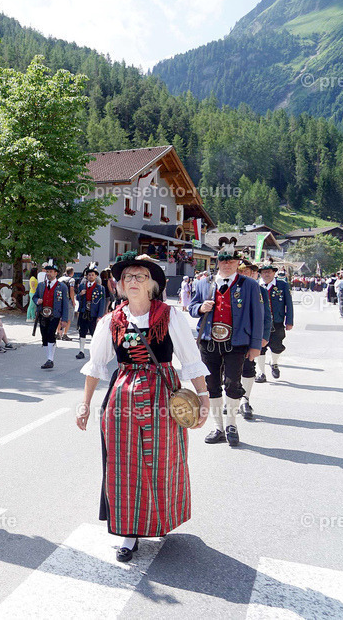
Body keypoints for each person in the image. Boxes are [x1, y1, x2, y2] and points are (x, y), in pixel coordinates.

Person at [77, 251, 209, 562]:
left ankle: (160, 519)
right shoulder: (111, 321)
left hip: (162, 394)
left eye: (140, 276)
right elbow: (96, 365)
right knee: (124, 465)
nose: (133, 281)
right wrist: (85, 404)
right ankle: (129, 532)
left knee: (163, 460)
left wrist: (203, 398)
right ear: (119, 285)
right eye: (127, 277)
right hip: (122, 397)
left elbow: (191, 360)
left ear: (152, 285)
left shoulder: (171, 316)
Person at [188, 238, 264, 447]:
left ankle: (232, 425)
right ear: (218, 262)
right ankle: (218, 427)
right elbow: (192, 307)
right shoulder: (204, 283)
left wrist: (256, 345)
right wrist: (201, 308)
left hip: (237, 342)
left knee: (232, 384)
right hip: (209, 341)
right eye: (223, 261)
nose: (227, 264)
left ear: (237, 263)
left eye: (231, 261)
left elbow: (257, 316)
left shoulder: (249, 284)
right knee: (211, 384)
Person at [238, 260, 271, 420]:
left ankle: (245, 400)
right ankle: (231, 400)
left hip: (249, 337)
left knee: (248, 368)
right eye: (243, 271)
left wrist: (264, 337)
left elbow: (266, 316)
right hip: (230, 338)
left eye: (250, 272)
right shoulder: (229, 288)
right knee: (229, 371)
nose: (247, 274)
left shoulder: (259, 290)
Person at [256, 261, 294, 380]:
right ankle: (261, 373)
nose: (266, 274)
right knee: (260, 347)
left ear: (274, 273)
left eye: (269, 272)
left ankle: (274, 362)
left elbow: (289, 303)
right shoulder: (256, 285)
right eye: (264, 272)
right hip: (259, 323)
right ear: (260, 274)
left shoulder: (282, 285)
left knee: (277, 345)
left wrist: (289, 321)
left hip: (277, 321)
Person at [33, 261, 71, 370]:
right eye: (47, 271)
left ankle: (51, 359)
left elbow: (65, 304)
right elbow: (34, 297)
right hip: (42, 314)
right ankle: (48, 358)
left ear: (56, 273)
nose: (48, 273)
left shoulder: (62, 286)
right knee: (44, 336)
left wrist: (64, 319)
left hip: (55, 315)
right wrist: (37, 301)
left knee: (50, 334)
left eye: (51, 272)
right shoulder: (41, 285)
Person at [74, 263, 107, 360]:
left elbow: (102, 303)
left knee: (94, 333)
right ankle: (81, 351)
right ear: (87, 276)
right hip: (84, 312)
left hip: (94, 313)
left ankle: (95, 351)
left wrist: (100, 316)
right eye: (89, 275)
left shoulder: (100, 288)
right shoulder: (82, 286)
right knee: (82, 331)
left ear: (96, 276)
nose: (90, 276)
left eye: (92, 275)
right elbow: (77, 298)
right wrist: (80, 294)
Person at [58, 266, 76, 341]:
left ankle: (58, 333)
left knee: (59, 317)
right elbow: (71, 291)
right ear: (72, 273)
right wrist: (73, 301)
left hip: (59, 299)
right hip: (67, 300)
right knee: (68, 318)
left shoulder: (60, 279)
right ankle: (65, 334)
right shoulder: (71, 280)